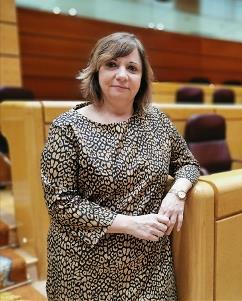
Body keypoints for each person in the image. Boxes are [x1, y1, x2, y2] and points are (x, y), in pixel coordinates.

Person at [40, 32, 200, 300]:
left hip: (150, 269)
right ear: (96, 71)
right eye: (112, 64)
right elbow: (60, 203)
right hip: (83, 271)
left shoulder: (157, 121)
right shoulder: (67, 128)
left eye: (132, 68)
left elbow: (187, 163)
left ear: (142, 79)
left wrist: (177, 193)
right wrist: (129, 224)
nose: (122, 74)